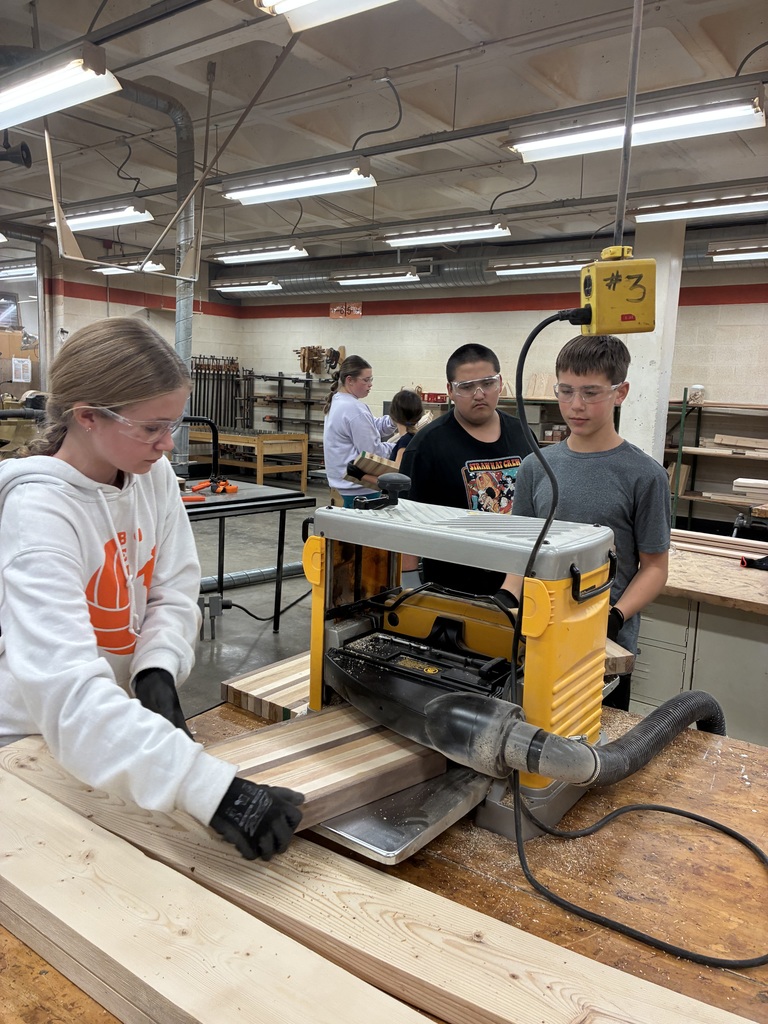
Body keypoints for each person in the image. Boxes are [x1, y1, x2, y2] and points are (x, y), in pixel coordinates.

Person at [0, 317, 303, 861]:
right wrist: (212, 790)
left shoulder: (150, 474)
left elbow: (173, 587)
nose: (167, 445)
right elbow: (65, 691)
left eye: (174, 426)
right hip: (27, 738)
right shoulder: (37, 514)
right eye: (151, 428)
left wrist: (156, 668)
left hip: (108, 730)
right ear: (88, 416)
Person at [510, 334, 671, 710]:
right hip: (538, 636)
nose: (575, 406)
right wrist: (508, 599)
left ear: (621, 392)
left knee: (597, 753)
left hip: (604, 648)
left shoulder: (644, 475)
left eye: (590, 393)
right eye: (565, 391)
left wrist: (615, 617)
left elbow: (655, 568)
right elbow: (521, 551)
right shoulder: (535, 467)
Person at [399, 343, 535, 594]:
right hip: (452, 589)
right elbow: (408, 519)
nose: (479, 394)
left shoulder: (523, 434)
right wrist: (409, 582)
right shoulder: (427, 445)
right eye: (467, 387)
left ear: (500, 382)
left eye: (488, 383)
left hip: (521, 585)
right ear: (450, 390)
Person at [323, 354, 395, 507]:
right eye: (366, 380)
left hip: (342, 487)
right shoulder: (354, 409)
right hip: (359, 491)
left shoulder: (339, 401)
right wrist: (402, 446)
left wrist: (394, 420)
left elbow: (370, 427)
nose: (370, 385)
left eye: (371, 379)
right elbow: (372, 453)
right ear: (350, 380)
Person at [388, 388, 424, 468]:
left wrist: (362, 475)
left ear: (393, 413)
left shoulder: (405, 441)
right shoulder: (415, 437)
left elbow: (397, 478)